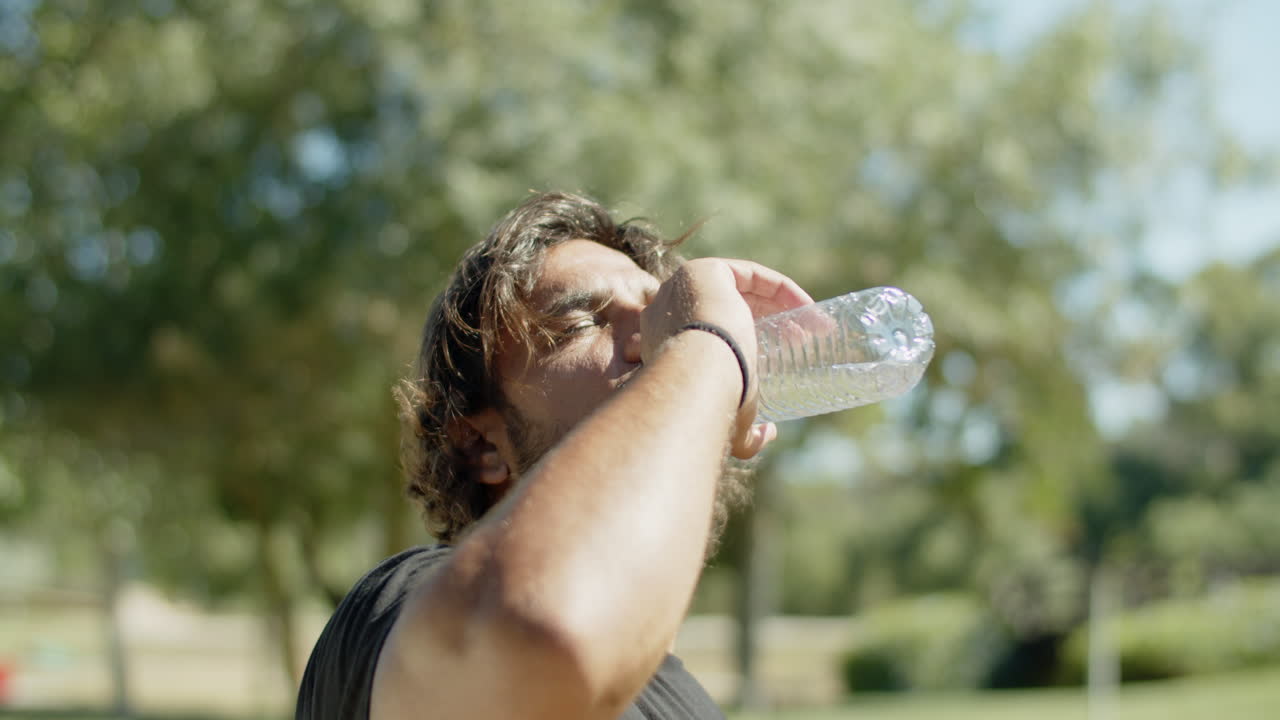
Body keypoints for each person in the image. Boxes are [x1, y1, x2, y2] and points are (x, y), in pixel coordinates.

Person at [295, 191, 813, 720]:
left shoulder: (683, 702)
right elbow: (541, 642)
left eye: (663, 314)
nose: (657, 340)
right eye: (582, 324)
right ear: (483, 445)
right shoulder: (406, 606)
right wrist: (709, 344)